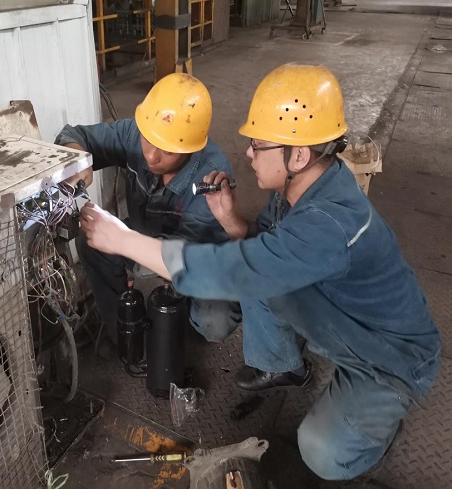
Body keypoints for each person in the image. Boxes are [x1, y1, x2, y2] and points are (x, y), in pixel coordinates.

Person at [78, 63, 441, 481]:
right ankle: (286, 365)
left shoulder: (329, 223)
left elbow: (241, 269)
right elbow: (264, 247)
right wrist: (231, 221)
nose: (248, 154)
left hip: (387, 357)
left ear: (298, 155)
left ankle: (377, 431)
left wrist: (122, 240)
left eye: (257, 145)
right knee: (256, 263)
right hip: (344, 323)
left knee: (320, 451)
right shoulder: (303, 189)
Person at [55, 73, 241, 347]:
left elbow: (184, 259)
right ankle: (121, 331)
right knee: (90, 238)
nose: (151, 156)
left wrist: (123, 241)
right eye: (148, 140)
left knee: (214, 321)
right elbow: (76, 135)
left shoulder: (212, 177)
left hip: (199, 256)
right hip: (146, 236)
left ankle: (178, 330)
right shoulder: (137, 132)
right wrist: (77, 159)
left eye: (167, 150)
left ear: (190, 147)